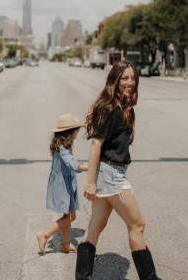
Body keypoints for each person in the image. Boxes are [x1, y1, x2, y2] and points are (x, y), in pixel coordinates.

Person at [75, 61, 160, 280]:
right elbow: (96, 145)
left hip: (109, 172)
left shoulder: (120, 107)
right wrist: (91, 181)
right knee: (137, 225)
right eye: (125, 78)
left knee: (96, 226)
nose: (130, 82)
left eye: (133, 78)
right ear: (115, 80)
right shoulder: (110, 108)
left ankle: (82, 276)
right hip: (111, 175)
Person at [37, 114, 88, 255]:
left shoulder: (61, 144)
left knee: (68, 215)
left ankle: (65, 245)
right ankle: (45, 235)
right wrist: (90, 166)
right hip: (62, 186)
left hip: (64, 184)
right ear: (70, 133)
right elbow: (73, 165)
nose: (78, 133)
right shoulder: (63, 148)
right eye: (76, 130)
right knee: (70, 217)